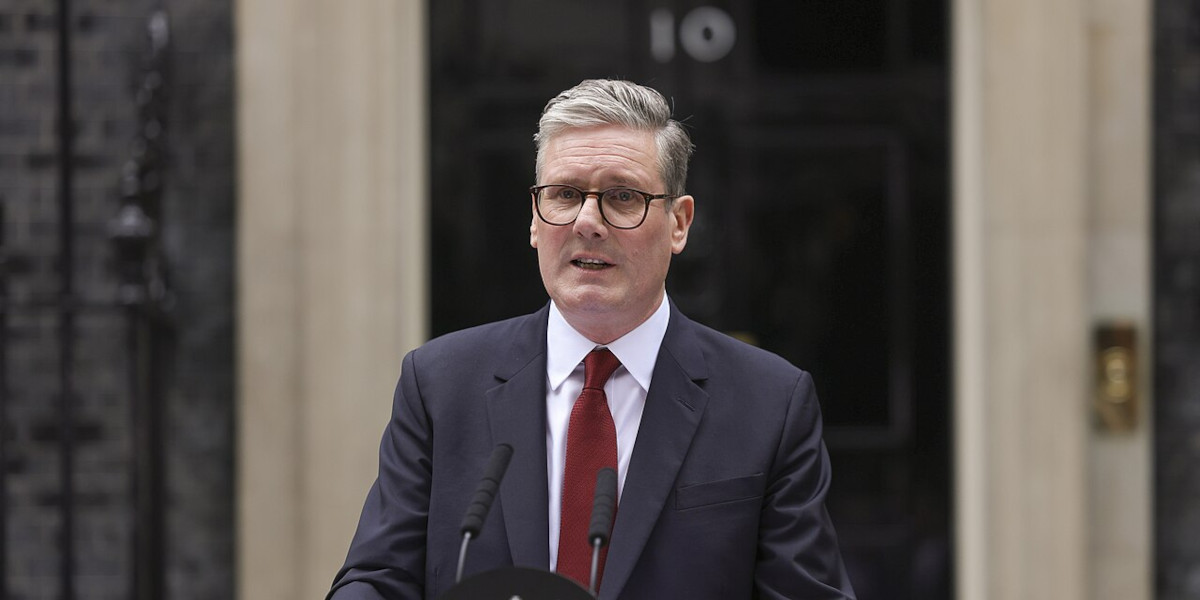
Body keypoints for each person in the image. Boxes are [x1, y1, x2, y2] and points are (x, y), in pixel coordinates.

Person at [327, 79, 856, 600]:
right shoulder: (439, 385)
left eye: (622, 197)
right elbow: (377, 579)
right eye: (564, 195)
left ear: (679, 223)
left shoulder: (769, 403)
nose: (587, 222)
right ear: (535, 220)